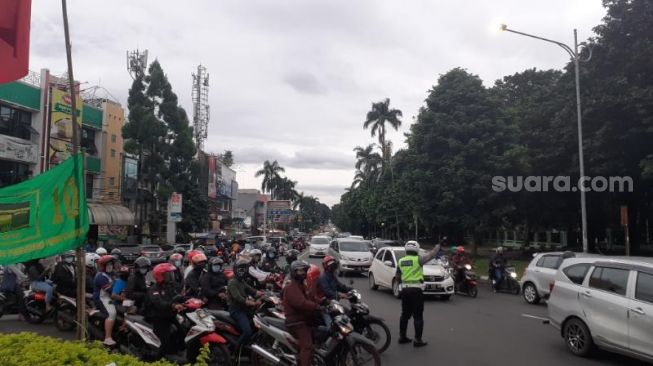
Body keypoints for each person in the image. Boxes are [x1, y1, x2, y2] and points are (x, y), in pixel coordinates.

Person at [395, 240, 440, 347]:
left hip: (405, 290)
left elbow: (397, 277)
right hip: (416, 291)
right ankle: (418, 340)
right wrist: (437, 246)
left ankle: (402, 337)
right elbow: (431, 255)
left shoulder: (400, 261)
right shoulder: (418, 259)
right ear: (417, 249)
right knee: (418, 316)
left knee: (405, 315)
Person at [282, 260, 321, 366]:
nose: (304, 273)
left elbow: (310, 297)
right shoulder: (290, 286)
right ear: (295, 272)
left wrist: (323, 301)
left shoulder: (301, 285)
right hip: (296, 321)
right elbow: (301, 303)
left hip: (303, 317)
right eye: (301, 271)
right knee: (307, 345)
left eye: (305, 271)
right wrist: (316, 306)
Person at [144, 263, 184, 359]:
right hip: (158, 317)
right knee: (165, 341)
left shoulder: (170, 286)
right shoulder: (154, 289)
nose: (171, 276)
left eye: (171, 274)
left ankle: (178, 351)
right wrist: (173, 305)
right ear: (160, 276)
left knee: (182, 331)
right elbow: (159, 303)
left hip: (169, 315)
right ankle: (161, 358)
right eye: (168, 274)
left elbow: (178, 296)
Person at [227, 259, 263, 348]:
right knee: (247, 332)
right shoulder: (232, 283)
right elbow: (239, 298)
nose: (243, 271)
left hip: (244, 309)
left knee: (257, 325)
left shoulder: (242, 281)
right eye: (241, 269)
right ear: (236, 270)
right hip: (236, 310)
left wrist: (264, 294)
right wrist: (253, 303)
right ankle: (236, 350)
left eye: (244, 269)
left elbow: (252, 290)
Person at [93, 255, 117, 346]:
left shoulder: (112, 274)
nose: (110, 266)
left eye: (111, 264)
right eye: (108, 264)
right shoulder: (101, 276)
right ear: (103, 266)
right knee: (111, 313)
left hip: (110, 296)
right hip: (102, 298)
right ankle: (108, 338)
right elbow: (111, 290)